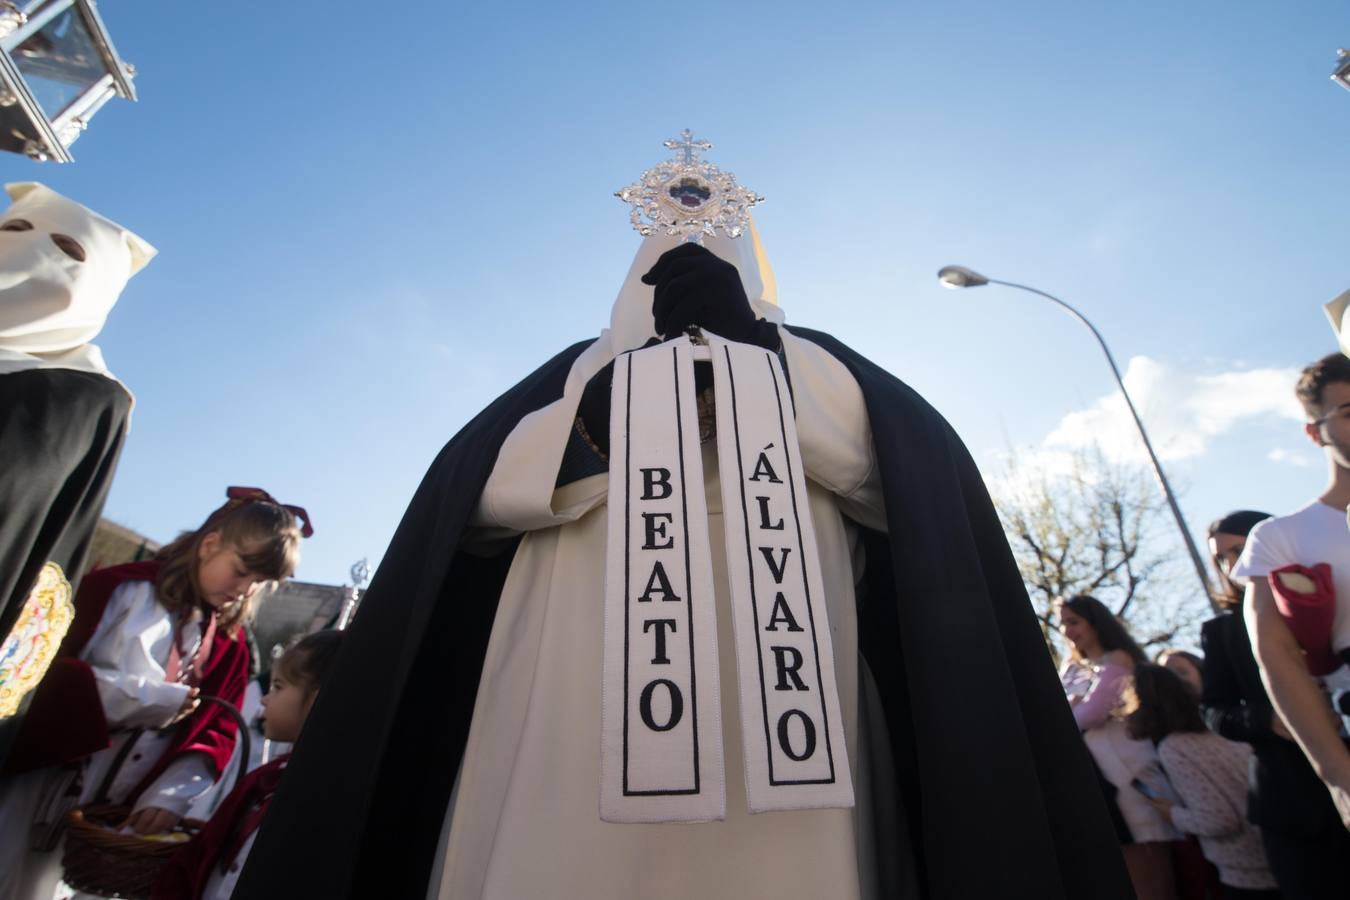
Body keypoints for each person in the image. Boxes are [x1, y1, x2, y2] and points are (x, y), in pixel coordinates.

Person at [240, 139, 1132, 899]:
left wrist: (763, 366)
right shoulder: (573, 376)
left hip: (798, 725)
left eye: (712, 240)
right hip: (565, 714)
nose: (689, 253)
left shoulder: (825, 371)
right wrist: (597, 425)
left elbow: (910, 492)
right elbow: (462, 517)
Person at [0, 487, 309, 900]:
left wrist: (170, 794)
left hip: (115, 825)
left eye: (260, 582)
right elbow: (34, 674)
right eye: (242, 570)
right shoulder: (116, 591)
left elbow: (216, 732)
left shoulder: (229, 647)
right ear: (210, 545)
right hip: (35, 788)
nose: (246, 590)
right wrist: (148, 700)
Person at [0, 182, 156, 768]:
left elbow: (50, 566)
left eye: (67, 248)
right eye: (14, 229)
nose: (32, 251)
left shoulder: (88, 402)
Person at [1230, 354, 1350, 883]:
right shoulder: (1281, 537)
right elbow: (1277, 661)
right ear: (1314, 431)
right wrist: (1338, 777)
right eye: (1348, 411)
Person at [152, 629, 342, 900]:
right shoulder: (265, 780)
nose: (265, 698)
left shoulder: (319, 797)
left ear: (318, 700)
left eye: (278, 687)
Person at [1057, 594, 1179, 900]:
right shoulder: (1072, 669)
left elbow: (1092, 713)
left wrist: (1075, 711)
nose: (1068, 631)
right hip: (1095, 775)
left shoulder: (1118, 661)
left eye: (1074, 622)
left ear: (1095, 622)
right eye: (1063, 624)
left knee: (1150, 862)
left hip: (1130, 770)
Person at [1125, 664, 1279, 899]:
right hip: (1279, 854)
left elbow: (1218, 819)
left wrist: (1172, 814)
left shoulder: (1174, 748)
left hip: (1246, 873)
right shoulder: (1219, 730)